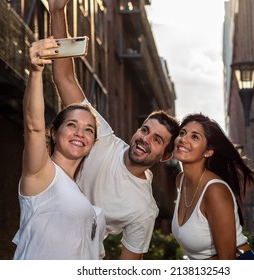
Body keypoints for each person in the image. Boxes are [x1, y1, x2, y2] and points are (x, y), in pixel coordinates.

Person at [47, 0, 180, 259]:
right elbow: (64, 78)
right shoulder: (102, 137)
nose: (144, 139)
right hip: (39, 234)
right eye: (144, 129)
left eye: (156, 139)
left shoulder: (144, 208)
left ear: (165, 156)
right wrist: (57, 11)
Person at [12, 37, 105, 260]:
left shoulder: (80, 191)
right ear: (54, 132)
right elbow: (33, 127)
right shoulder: (42, 175)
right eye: (71, 125)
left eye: (89, 130)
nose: (80, 133)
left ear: (93, 142)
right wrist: (35, 72)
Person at [171, 113, 254, 260]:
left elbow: (227, 260)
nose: (183, 139)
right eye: (182, 133)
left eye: (195, 137)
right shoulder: (181, 180)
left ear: (208, 151)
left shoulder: (214, 191)